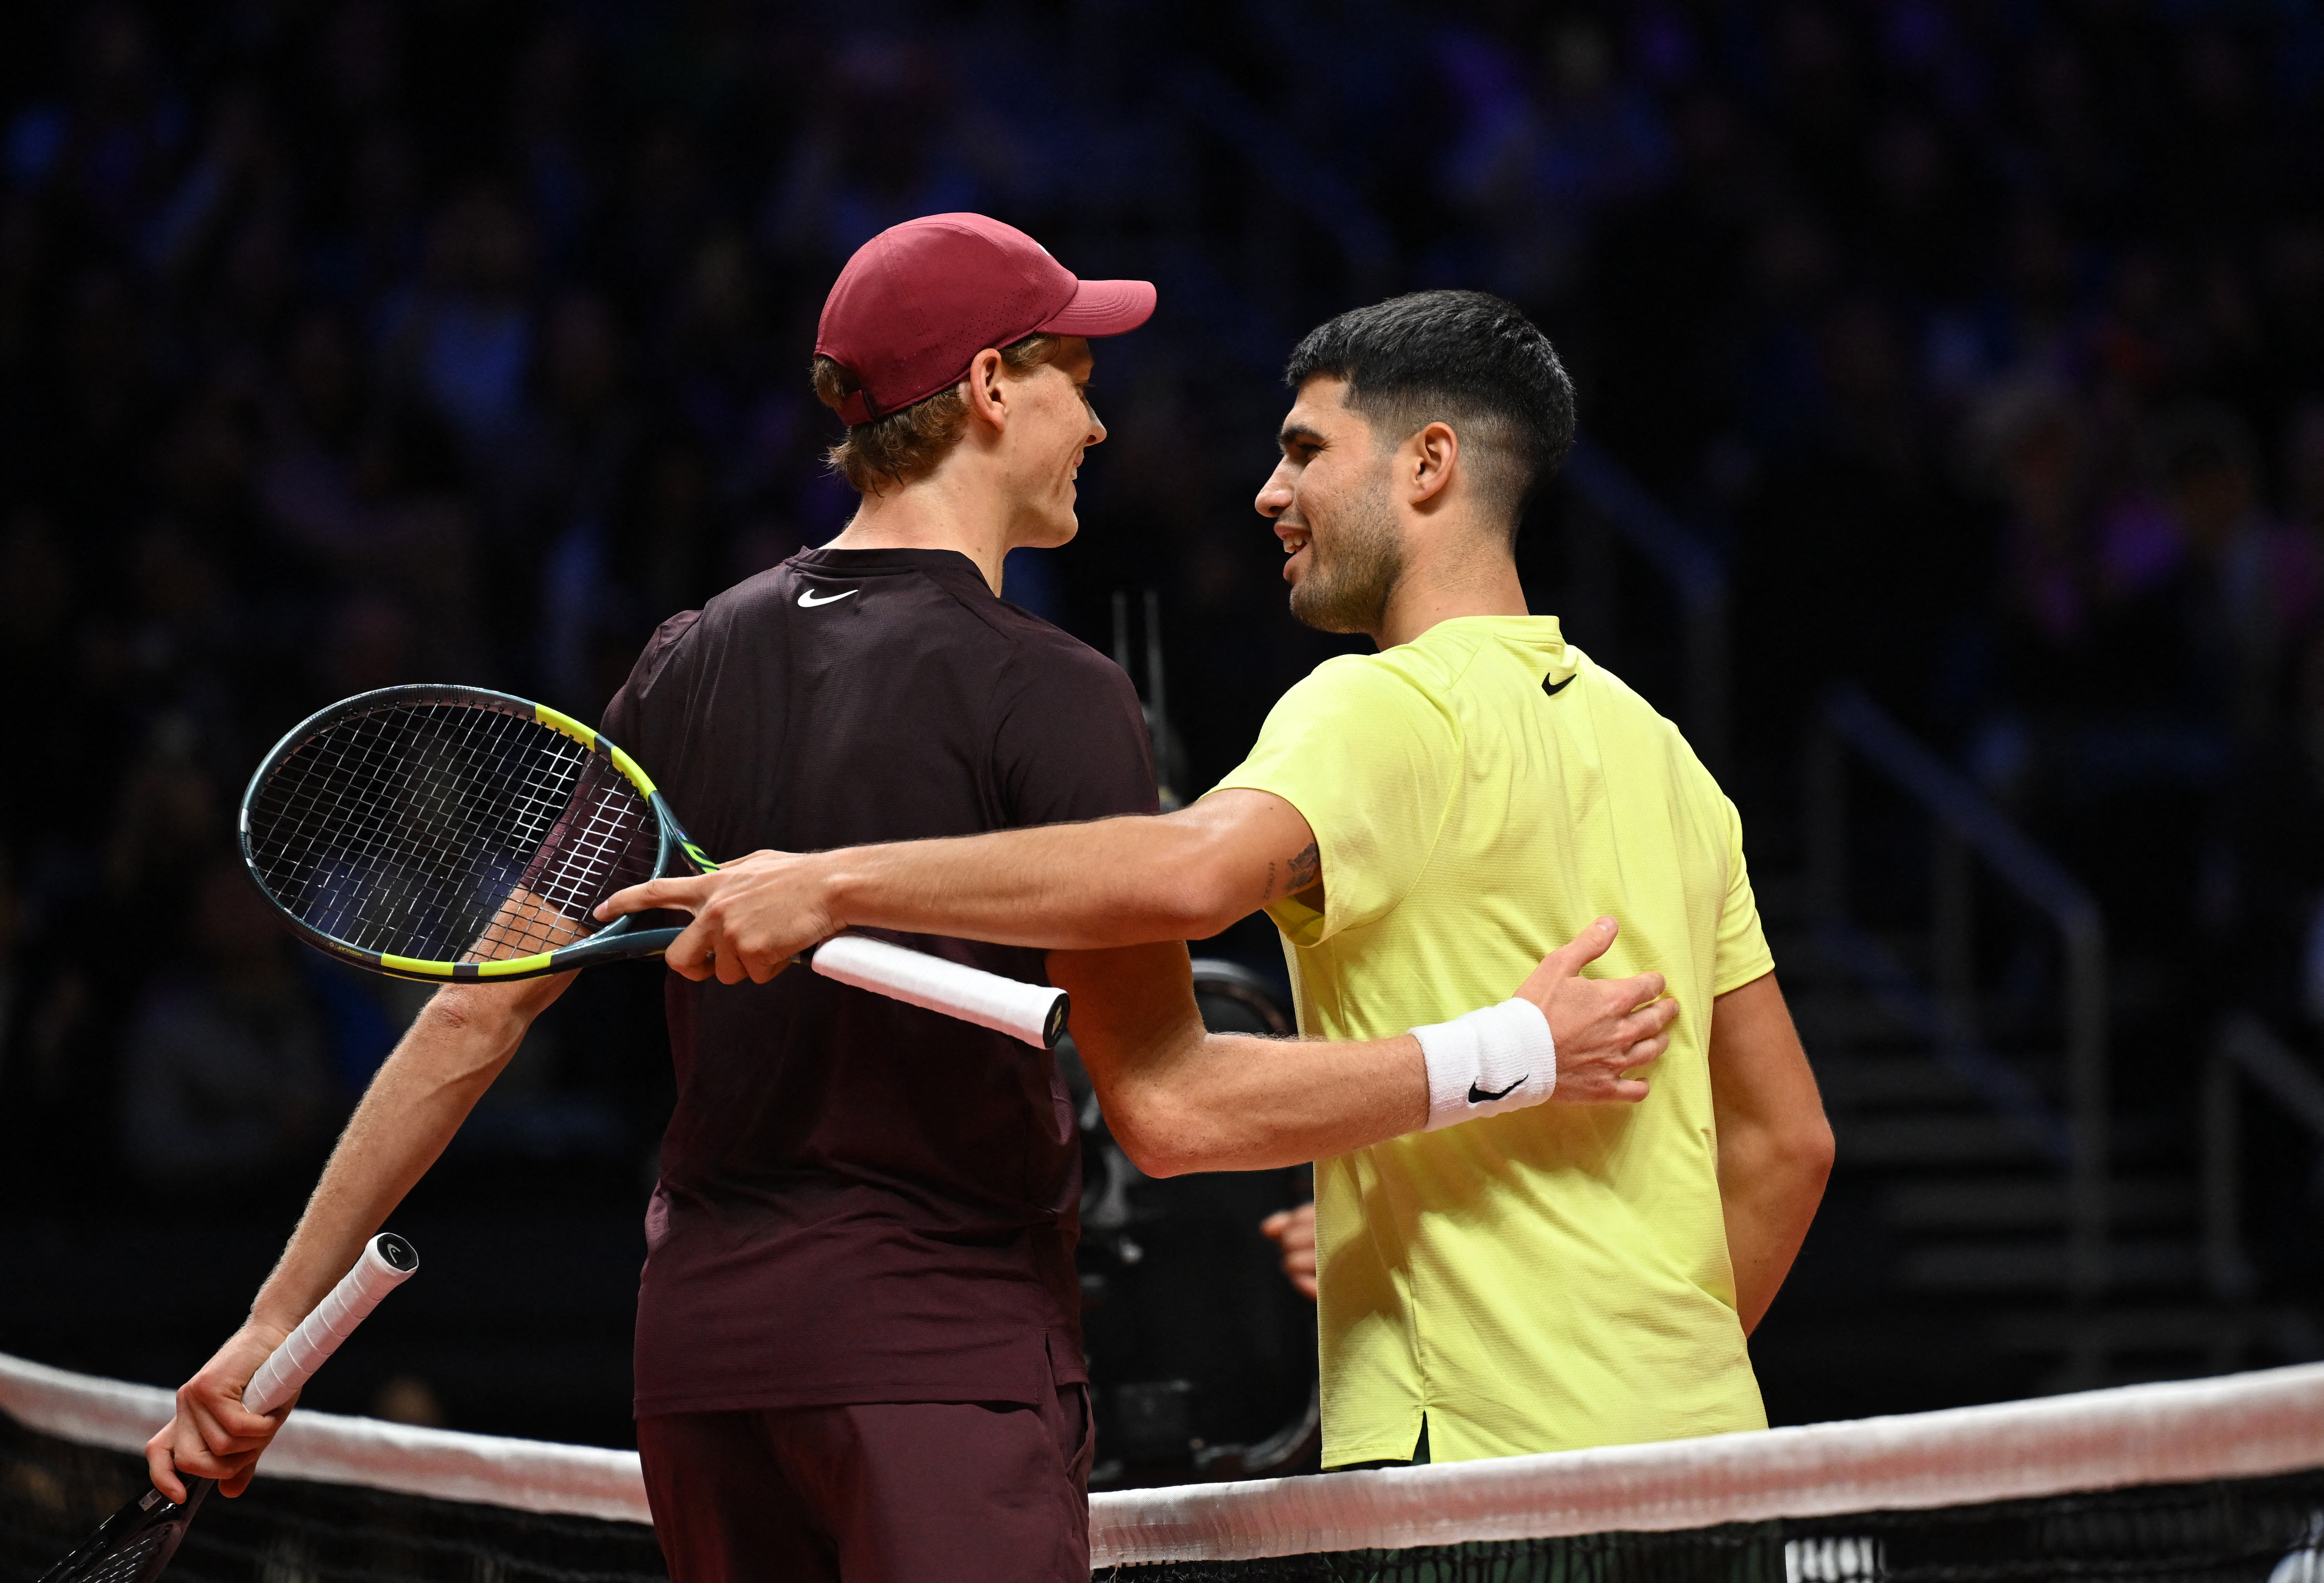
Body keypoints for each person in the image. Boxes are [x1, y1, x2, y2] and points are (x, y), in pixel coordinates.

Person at [145, 229, 1674, 1582]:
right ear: (992, 385)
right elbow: (1171, 1109)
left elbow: (475, 1015)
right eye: (1077, 373)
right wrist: (1508, 1054)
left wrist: (265, 1336)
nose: (1096, 418)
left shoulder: (685, 659)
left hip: (701, 1365)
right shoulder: (1052, 693)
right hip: (937, 1363)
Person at [599, 289, 1836, 1469]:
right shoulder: (1663, 753)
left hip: (1472, 1460)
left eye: (1305, 451)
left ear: (1429, 465)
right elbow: (1790, 1143)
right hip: (1706, 1449)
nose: (1268, 492)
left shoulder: (1374, 707)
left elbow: (1188, 875)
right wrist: (1646, 1383)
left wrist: (831, 882)